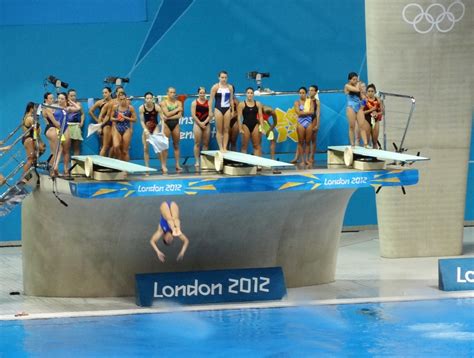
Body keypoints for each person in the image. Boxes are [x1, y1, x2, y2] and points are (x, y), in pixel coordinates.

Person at [209, 71, 234, 151]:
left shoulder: (230, 87)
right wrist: (210, 111)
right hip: (218, 109)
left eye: (225, 77)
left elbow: (231, 100)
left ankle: (225, 147)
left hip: (227, 109)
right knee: (219, 130)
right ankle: (220, 147)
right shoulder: (215, 87)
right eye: (222, 77)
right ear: (219, 78)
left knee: (226, 129)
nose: (224, 79)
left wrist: (232, 110)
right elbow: (211, 100)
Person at [160, 87, 183, 173]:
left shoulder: (179, 102)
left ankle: (177, 164)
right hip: (166, 125)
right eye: (171, 92)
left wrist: (168, 117)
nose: (173, 94)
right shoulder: (163, 103)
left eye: (174, 92)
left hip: (175, 124)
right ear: (167, 93)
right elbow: (166, 113)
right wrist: (177, 110)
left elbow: (179, 116)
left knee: (176, 145)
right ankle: (164, 165)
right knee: (165, 146)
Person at [344, 72, 370, 147]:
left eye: (356, 79)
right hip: (351, 107)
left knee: (362, 126)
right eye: (353, 79)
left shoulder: (358, 87)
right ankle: (352, 144)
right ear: (349, 80)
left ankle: (365, 144)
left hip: (358, 107)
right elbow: (356, 90)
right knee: (352, 126)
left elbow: (364, 98)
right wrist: (358, 83)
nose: (355, 81)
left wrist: (364, 103)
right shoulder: (347, 86)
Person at [139, 92, 163, 169]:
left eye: (150, 98)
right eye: (147, 98)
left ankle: (163, 165)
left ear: (153, 99)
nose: (149, 100)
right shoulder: (141, 108)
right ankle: (147, 167)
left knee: (157, 147)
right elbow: (142, 121)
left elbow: (162, 119)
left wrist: (160, 128)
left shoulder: (157, 107)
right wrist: (145, 129)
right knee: (146, 148)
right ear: (145, 99)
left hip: (155, 127)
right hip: (147, 128)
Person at [110, 92, 136, 161]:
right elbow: (111, 118)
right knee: (116, 146)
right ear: (118, 99)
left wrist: (125, 117)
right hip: (117, 128)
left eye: (124, 99)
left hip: (126, 128)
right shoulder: (115, 107)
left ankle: (127, 169)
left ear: (126, 98)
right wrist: (117, 119)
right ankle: (119, 160)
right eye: (121, 99)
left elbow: (135, 119)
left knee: (125, 151)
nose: (122, 101)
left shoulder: (130, 108)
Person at [292, 87, 314, 165]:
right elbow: (298, 113)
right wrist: (306, 112)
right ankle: (302, 160)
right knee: (301, 142)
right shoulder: (297, 102)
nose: (301, 94)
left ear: (306, 93)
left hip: (308, 122)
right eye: (300, 93)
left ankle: (307, 159)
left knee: (308, 142)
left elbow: (312, 112)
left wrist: (303, 112)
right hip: (300, 123)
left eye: (303, 93)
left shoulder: (310, 101)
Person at [88, 87, 113, 157]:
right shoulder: (100, 102)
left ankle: (110, 162)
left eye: (106, 92)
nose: (104, 94)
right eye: (103, 93)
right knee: (104, 145)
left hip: (113, 124)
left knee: (112, 145)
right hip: (104, 124)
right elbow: (90, 111)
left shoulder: (114, 102)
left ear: (110, 93)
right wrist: (98, 122)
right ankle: (100, 163)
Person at [191, 87, 211, 169]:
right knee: (197, 143)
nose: (202, 94)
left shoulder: (208, 102)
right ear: (198, 93)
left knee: (206, 143)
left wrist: (205, 122)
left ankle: (204, 160)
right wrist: (200, 123)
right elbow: (193, 115)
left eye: (203, 93)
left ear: (205, 93)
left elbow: (210, 114)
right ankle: (197, 161)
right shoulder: (194, 103)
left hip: (206, 123)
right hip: (197, 124)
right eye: (201, 93)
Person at [363, 83, 383, 149]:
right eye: (369, 91)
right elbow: (361, 113)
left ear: (375, 92)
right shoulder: (364, 101)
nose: (370, 93)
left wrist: (377, 114)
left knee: (375, 141)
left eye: (372, 91)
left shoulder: (378, 100)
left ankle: (375, 157)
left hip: (375, 119)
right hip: (367, 119)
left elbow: (382, 112)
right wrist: (370, 110)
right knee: (367, 141)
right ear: (366, 92)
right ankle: (367, 157)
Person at [66, 89, 85, 155]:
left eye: (74, 95)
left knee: (76, 147)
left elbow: (82, 114)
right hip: (67, 127)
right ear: (68, 96)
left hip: (76, 126)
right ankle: (67, 165)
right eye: (71, 96)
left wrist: (82, 122)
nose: (73, 97)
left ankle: (76, 165)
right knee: (66, 147)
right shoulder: (65, 104)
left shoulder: (78, 104)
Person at [308, 85, 320, 164]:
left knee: (313, 139)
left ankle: (312, 156)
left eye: (312, 90)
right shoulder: (306, 100)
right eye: (309, 90)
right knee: (305, 140)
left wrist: (317, 125)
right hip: (306, 120)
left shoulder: (317, 102)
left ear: (315, 92)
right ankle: (305, 157)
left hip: (313, 119)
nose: (310, 91)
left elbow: (318, 113)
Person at [228, 84, 240, 151]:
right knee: (226, 142)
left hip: (234, 122)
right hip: (226, 121)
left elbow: (239, 112)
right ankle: (225, 160)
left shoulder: (236, 101)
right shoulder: (224, 100)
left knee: (233, 142)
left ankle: (233, 160)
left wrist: (232, 116)